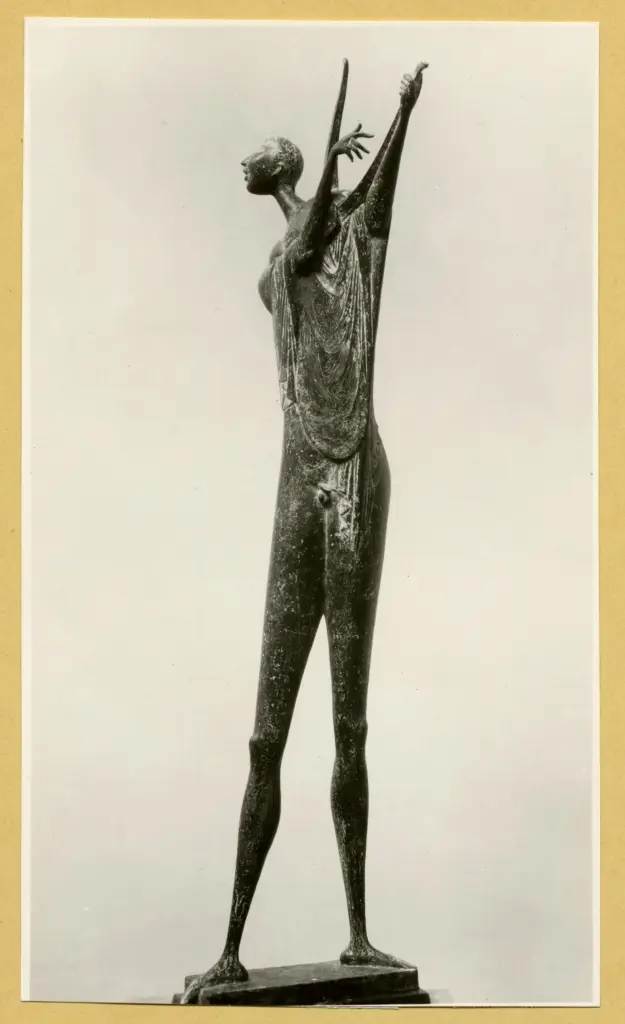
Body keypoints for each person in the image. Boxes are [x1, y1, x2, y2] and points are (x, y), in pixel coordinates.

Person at [180, 61, 427, 1004]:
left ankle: (358, 936)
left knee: (348, 721)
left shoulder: (344, 238)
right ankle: (230, 949)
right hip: (301, 486)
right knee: (265, 734)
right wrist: (334, 158)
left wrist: (401, 114)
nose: (245, 163)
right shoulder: (280, 267)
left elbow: (366, 205)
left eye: (258, 156)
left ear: (273, 167)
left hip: (355, 477)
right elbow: (314, 227)